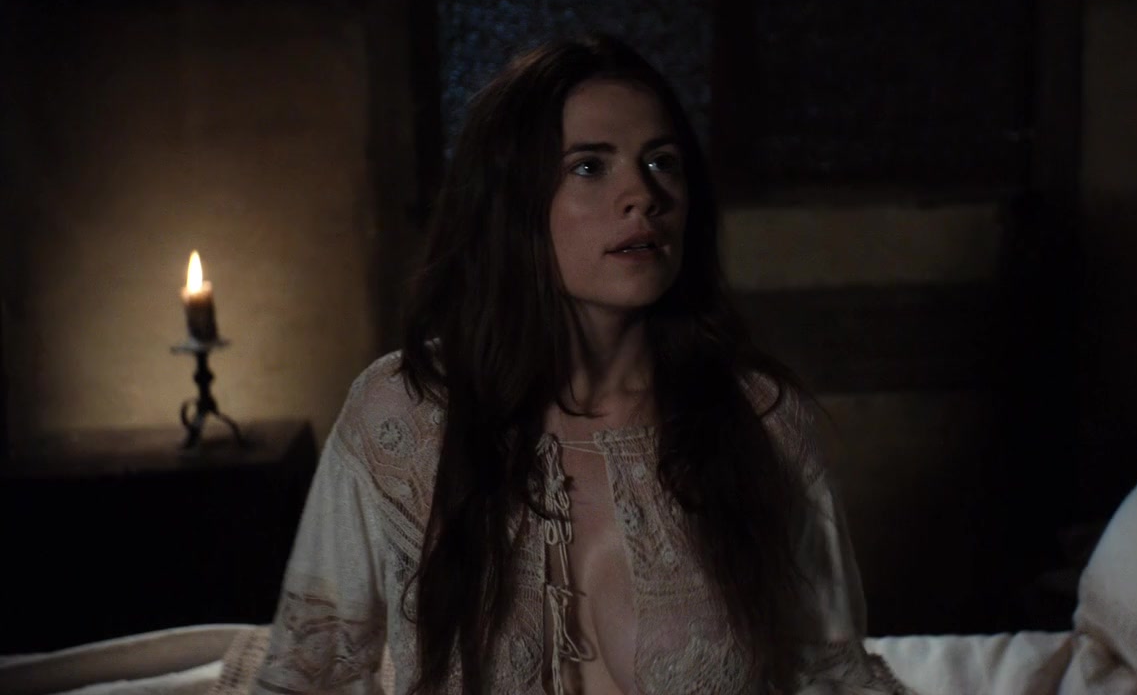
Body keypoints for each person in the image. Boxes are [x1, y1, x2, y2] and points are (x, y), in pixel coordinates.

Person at [251, 34, 910, 695]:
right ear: (512, 200)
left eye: (662, 162)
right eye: (590, 167)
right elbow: (309, 675)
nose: (643, 195)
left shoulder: (761, 421)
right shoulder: (403, 415)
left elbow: (830, 677)